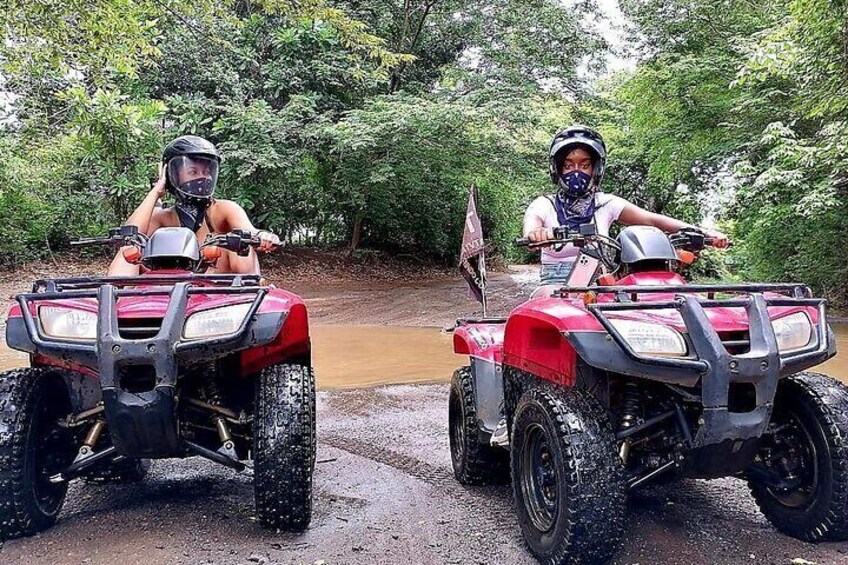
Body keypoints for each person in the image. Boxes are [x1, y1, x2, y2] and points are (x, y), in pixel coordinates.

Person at [523, 125, 729, 293]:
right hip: (555, 284)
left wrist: (704, 233)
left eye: (584, 165)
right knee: (549, 303)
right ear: (557, 169)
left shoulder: (605, 204)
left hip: (602, 284)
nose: (576, 172)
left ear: (596, 169)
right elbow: (530, 231)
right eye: (568, 166)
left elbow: (654, 220)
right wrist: (537, 235)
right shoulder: (544, 204)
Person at [107, 135, 281, 276]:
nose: (203, 177)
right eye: (193, 172)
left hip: (218, 296)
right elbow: (129, 235)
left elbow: (250, 231)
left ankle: (248, 300)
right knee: (129, 249)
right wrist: (156, 191)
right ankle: (118, 310)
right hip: (166, 294)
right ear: (171, 174)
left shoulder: (223, 209)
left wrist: (262, 236)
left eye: (207, 172)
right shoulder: (162, 217)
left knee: (242, 245)